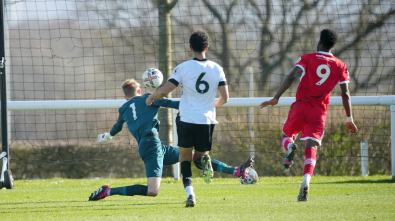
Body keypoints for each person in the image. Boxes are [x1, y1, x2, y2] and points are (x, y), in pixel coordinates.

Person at [89, 79, 253, 202]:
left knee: (194, 156)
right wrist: (199, 105)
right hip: (151, 147)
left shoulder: (123, 109)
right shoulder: (149, 98)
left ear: (125, 97)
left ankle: (236, 171)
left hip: (154, 146)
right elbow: (171, 103)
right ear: (139, 90)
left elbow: (117, 128)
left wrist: (107, 137)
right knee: (153, 191)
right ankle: (108, 191)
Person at [146, 30, 252, 207]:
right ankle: (207, 160)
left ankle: (190, 194)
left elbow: (165, 90)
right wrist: (211, 106)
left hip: (186, 119)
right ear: (207, 47)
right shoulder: (217, 69)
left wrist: (152, 97)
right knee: (199, 158)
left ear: (190, 47)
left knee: (185, 158)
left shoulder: (183, 67)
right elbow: (225, 98)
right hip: (207, 121)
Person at [260, 29, 358, 202]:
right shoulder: (340, 65)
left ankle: (290, 146)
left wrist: (276, 97)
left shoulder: (307, 58)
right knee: (311, 148)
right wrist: (349, 118)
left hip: (301, 105)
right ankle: (306, 180)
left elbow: (292, 76)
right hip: (319, 112)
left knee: (286, 135)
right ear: (332, 45)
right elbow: (346, 94)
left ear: (319, 42)